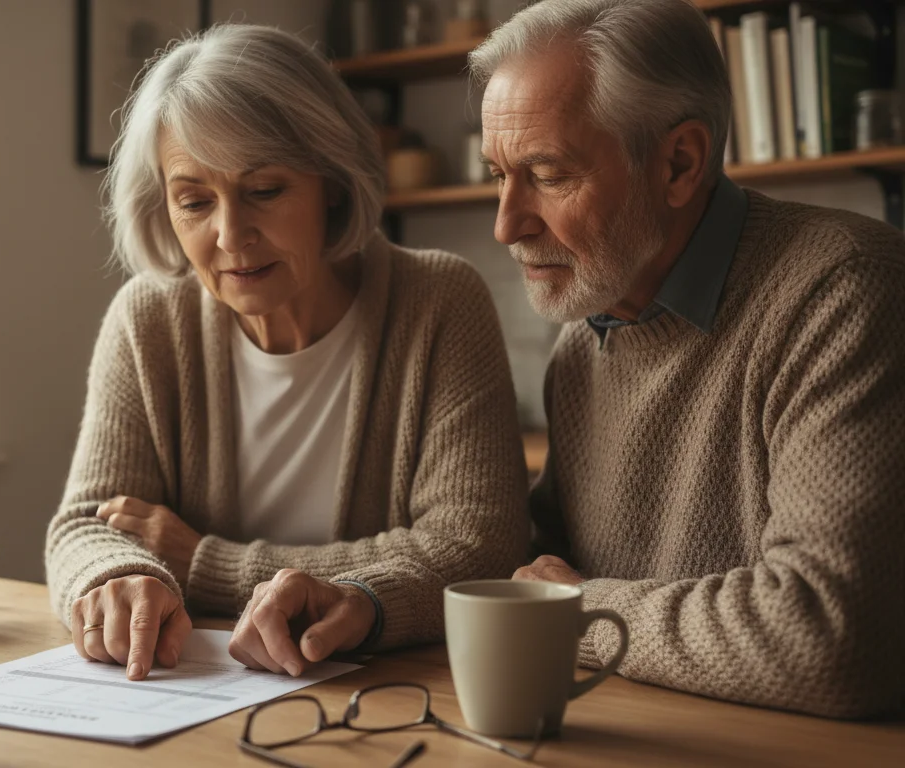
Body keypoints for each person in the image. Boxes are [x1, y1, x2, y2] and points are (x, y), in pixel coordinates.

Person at [232, 0, 905, 719]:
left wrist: (576, 606)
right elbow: (526, 568)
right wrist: (368, 601)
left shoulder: (844, 291)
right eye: (498, 174)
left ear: (680, 163)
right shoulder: (585, 341)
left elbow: (829, 637)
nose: (505, 224)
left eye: (548, 175)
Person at [44, 24, 528, 682]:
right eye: (194, 201)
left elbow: (478, 546)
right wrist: (120, 573)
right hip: (195, 694)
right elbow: (84, 524)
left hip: (393, 695)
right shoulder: (148, 321)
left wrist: (203, 564)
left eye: (264, 191)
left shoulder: (439, 302)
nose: (230, 235)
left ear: (329, 180)